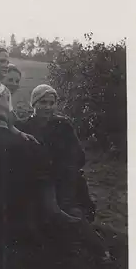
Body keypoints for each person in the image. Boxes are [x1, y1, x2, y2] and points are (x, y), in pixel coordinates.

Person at [0, 44, 80, 224]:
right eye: (1, 61)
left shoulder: (4, 91)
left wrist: (23, 135)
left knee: (36, 152)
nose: (5, 65)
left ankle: (49, 207)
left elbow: (10, 125)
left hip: (4, 136)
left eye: (7, 61)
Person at [18, 84, 96, 221]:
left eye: (51, 103)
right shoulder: (24, 127)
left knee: (74, 209)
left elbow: (77, 154)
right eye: (43, 102)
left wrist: (64, 167)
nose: (48, 107)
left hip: (63, 176)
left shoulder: (63, 125)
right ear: (34, 104)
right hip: (37, 179)